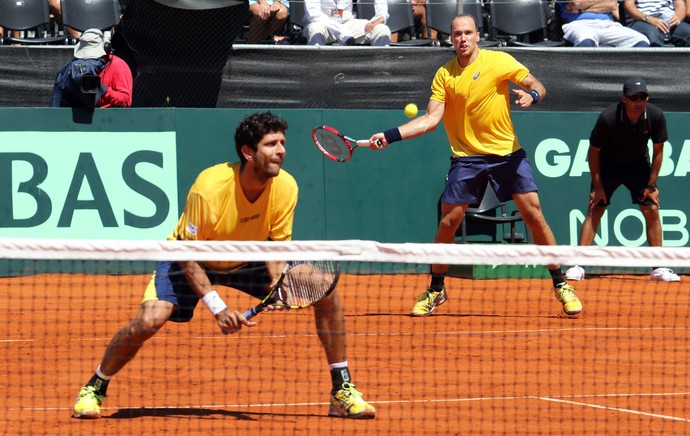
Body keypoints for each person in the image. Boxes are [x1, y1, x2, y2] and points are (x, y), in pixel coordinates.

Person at [72, 112, 375, 420]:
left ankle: (341, 390)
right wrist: (217, 307)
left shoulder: (286, 187)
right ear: (248, 152)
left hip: (247, 258)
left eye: (283, 142)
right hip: (192, 256)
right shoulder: (210, 188)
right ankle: (95, 385)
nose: (281, 150)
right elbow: (186, 255)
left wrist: (277, 280)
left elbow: (277, 246)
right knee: (149, 320)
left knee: (327, 292)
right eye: (271, 144)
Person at [367, 14, 583, 318]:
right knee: (447, 223)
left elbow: (537, 84)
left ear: (478, 36)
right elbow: (430, 120)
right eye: (457, 34)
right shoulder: (444, 75)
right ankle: (436, 288)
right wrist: (390, 136)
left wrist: (532, 95)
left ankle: (561, 284)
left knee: (534, 215)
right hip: (467, 158)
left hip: (508, 155)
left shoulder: (499, 61)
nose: (463, 39)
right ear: (451, 39)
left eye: (468, 33)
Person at [565, 78, 681, 283]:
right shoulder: (608, 117)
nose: (639, 101)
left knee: (652, 209)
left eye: (643, 97)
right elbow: (593, 153)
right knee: (595, 208)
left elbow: (659, 152)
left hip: (638, 167)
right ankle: (578, 265)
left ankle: (658, 267)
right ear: (624, 99)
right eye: (634, 98)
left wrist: (651, 185)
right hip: (608, 165)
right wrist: (598, 186)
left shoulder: (655, 116)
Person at [50, 29, 133, 108]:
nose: (89, 61)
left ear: (106, 50)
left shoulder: (119, 67)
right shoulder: (73, 67)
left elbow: (126, 101)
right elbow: (57, 101)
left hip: (110, 118)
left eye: (94, 58)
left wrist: (102, 90)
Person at [557, 0, 650, 46]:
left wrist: (582, 9)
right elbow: (576, 3)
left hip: (608, 24)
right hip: (579, 24)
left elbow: (612, 5)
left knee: (641, 40)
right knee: (585, 39)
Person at [303, 0, 391, 46]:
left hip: (348, 23)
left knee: (382, 29)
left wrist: (380, 16)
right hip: (323, 24)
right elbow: (313, 14)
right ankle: (316, 73)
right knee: (315, 29)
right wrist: (342, 32)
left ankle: (381, 72)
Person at [624, 0, 690, 46]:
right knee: (652, 34)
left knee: (687, 31)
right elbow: (629, 6)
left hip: (667, 19)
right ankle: (659, 65)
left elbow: (680, 6)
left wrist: (677, 18)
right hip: (642, 19)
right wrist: (650, 19)